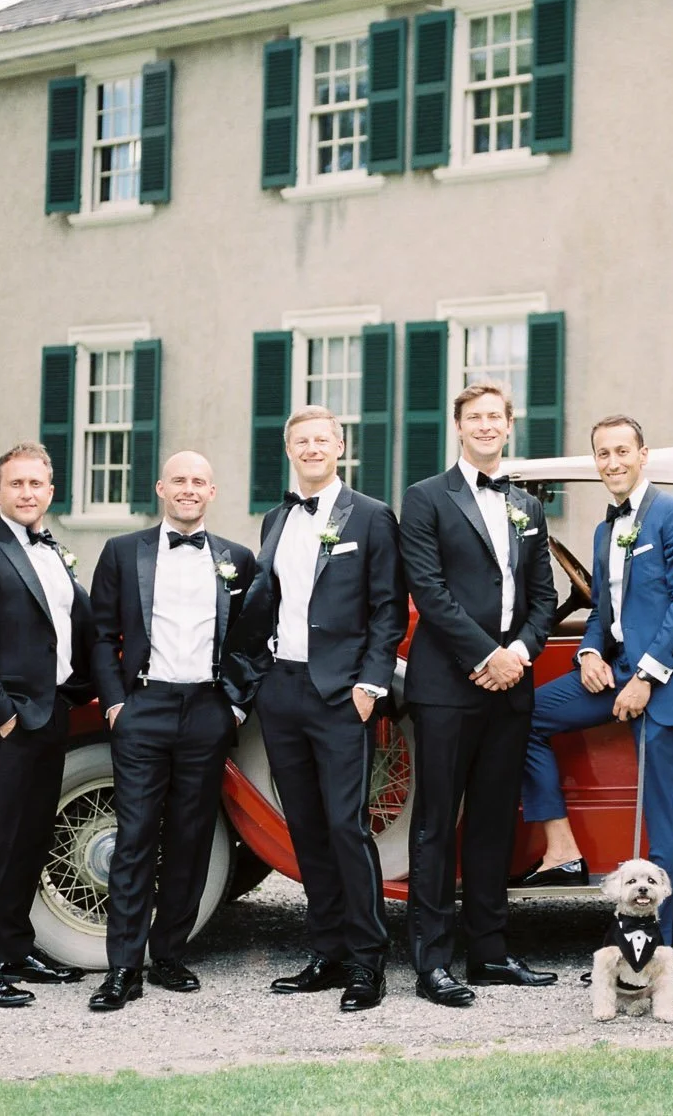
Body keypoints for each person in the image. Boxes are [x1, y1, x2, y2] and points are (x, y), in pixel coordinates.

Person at [222, 406, 406, 1012]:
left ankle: (367, 962)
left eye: (321, 440)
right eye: (301, 441)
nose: (311, 449)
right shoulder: (276, 519)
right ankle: (326, 952)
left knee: (346, 827)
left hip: (341, 694)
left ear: (340, 447)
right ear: (289, 449)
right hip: (282, 691)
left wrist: (369, 685)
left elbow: (387, 608)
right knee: (303, 827)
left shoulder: (374, 517)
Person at [515, 415, 673, 951]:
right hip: (612, 671)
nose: (613, 462)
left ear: (643, 455)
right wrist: (590, 651)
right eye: (603, 454)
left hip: (663, 681)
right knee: (523, 715)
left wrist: (646, 676)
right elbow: (602, 608)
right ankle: (562, 847)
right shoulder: (605, 530)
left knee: (664, 821)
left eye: (623, 451)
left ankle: (658, 946)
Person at [399, 381, 558, 1006]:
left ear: (509, 425)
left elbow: (543, 596)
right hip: (448, 685)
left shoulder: (528, 504)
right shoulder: (425, 498)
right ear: (458, 426)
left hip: (510, 686)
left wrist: (516, 654)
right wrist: (483, 654)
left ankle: (490, 951)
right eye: (476, 418)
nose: (487, 426)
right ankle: (432, 961)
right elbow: (428, 589)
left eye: (497, 417)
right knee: (437, 824)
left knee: (495, 823)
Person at [85, 450, 259, 1012]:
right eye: (179, 480)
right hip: (144, 708)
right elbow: (100, 634)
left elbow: (252, 642)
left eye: (199, 481)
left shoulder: (238, 558)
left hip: (208, 711)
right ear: (161, 487)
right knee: (135, 838)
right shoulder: (120, 553)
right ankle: (123, 968)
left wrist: (234, 706)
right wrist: (116, 704)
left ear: (212, 492)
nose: (189, 489)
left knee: (191, 838)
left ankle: (169, 954)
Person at [0, 441, 95, 1006]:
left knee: (31, 839)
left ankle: (14, 947)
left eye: (37, 484)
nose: (28, 493)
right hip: (7, 723)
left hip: (51, 714)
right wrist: (3, 716)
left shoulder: (52, 554)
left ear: (50, 492)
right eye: (17, 484)